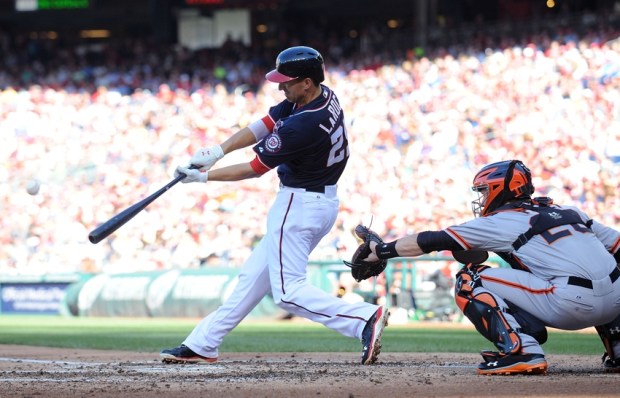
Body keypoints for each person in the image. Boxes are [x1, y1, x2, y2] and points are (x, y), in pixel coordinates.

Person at [159, 46, 389, 365]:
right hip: (317, 201)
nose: (281, 86)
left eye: (287, 81)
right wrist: (218, 150)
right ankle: (203, 343)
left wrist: (203, 177)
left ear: (306, 82)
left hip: (298, 204)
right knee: (252, 279)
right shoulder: (322, 96)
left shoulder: (303, 124)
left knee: (287, 293)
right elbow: (266, 122)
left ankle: (363, 318)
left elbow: (254, 168)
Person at [362, 160, 620, 375]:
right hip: (615, 303)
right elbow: (616, 246)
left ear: (500, 188)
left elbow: (430, 240)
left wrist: (381, 250)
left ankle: (522, 351)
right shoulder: (569, 211)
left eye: (484, 190)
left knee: (469, 279)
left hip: (570, 305)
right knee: (608, 270)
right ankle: (617, 347)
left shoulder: (503, 220)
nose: (482, 198)